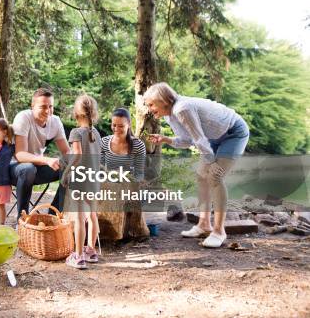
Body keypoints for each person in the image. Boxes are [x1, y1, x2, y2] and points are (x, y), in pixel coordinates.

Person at [144, 82, 249, 248]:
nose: (149, 108)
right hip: (213, 139)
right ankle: (204, 224)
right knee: (201, 177)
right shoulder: (169, 114)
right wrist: (166, 139)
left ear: (163, 100)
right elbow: (188, 140)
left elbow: (199, 139)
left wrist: (212, 162)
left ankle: (219, 231)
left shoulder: (182, 108)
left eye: (151, 104)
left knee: (215, 176)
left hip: (233, 133)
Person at [10, 88, 70, 221]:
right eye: (43, 107)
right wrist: (47, 160)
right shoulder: (23, 117)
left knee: (72, 170)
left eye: (51, 106)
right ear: (32, 107)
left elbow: (66, 152)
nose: (48, 111)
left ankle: (53, 216)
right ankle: (22, 219)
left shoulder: (55, 121)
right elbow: (20, 155)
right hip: (15, 169)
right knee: (27, 168)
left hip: (37, 169)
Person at [64, 94, 101, 269]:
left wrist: (67, 170)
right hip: (93, 179)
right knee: (92, 215)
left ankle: (78, 256)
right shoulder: (97, 134)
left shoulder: (76, 132)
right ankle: (91, 251)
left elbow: (77, 155)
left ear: (77, 113)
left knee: (79, 217)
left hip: (79, 179)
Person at [100, 108, 146, 183]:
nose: (116, 129)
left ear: (129, 125)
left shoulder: (138, 145)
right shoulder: (104, 142)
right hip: (109, 186)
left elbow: (139, 174)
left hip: (129, 187)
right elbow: (100, 171)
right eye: (114, 125)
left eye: (121, 126)